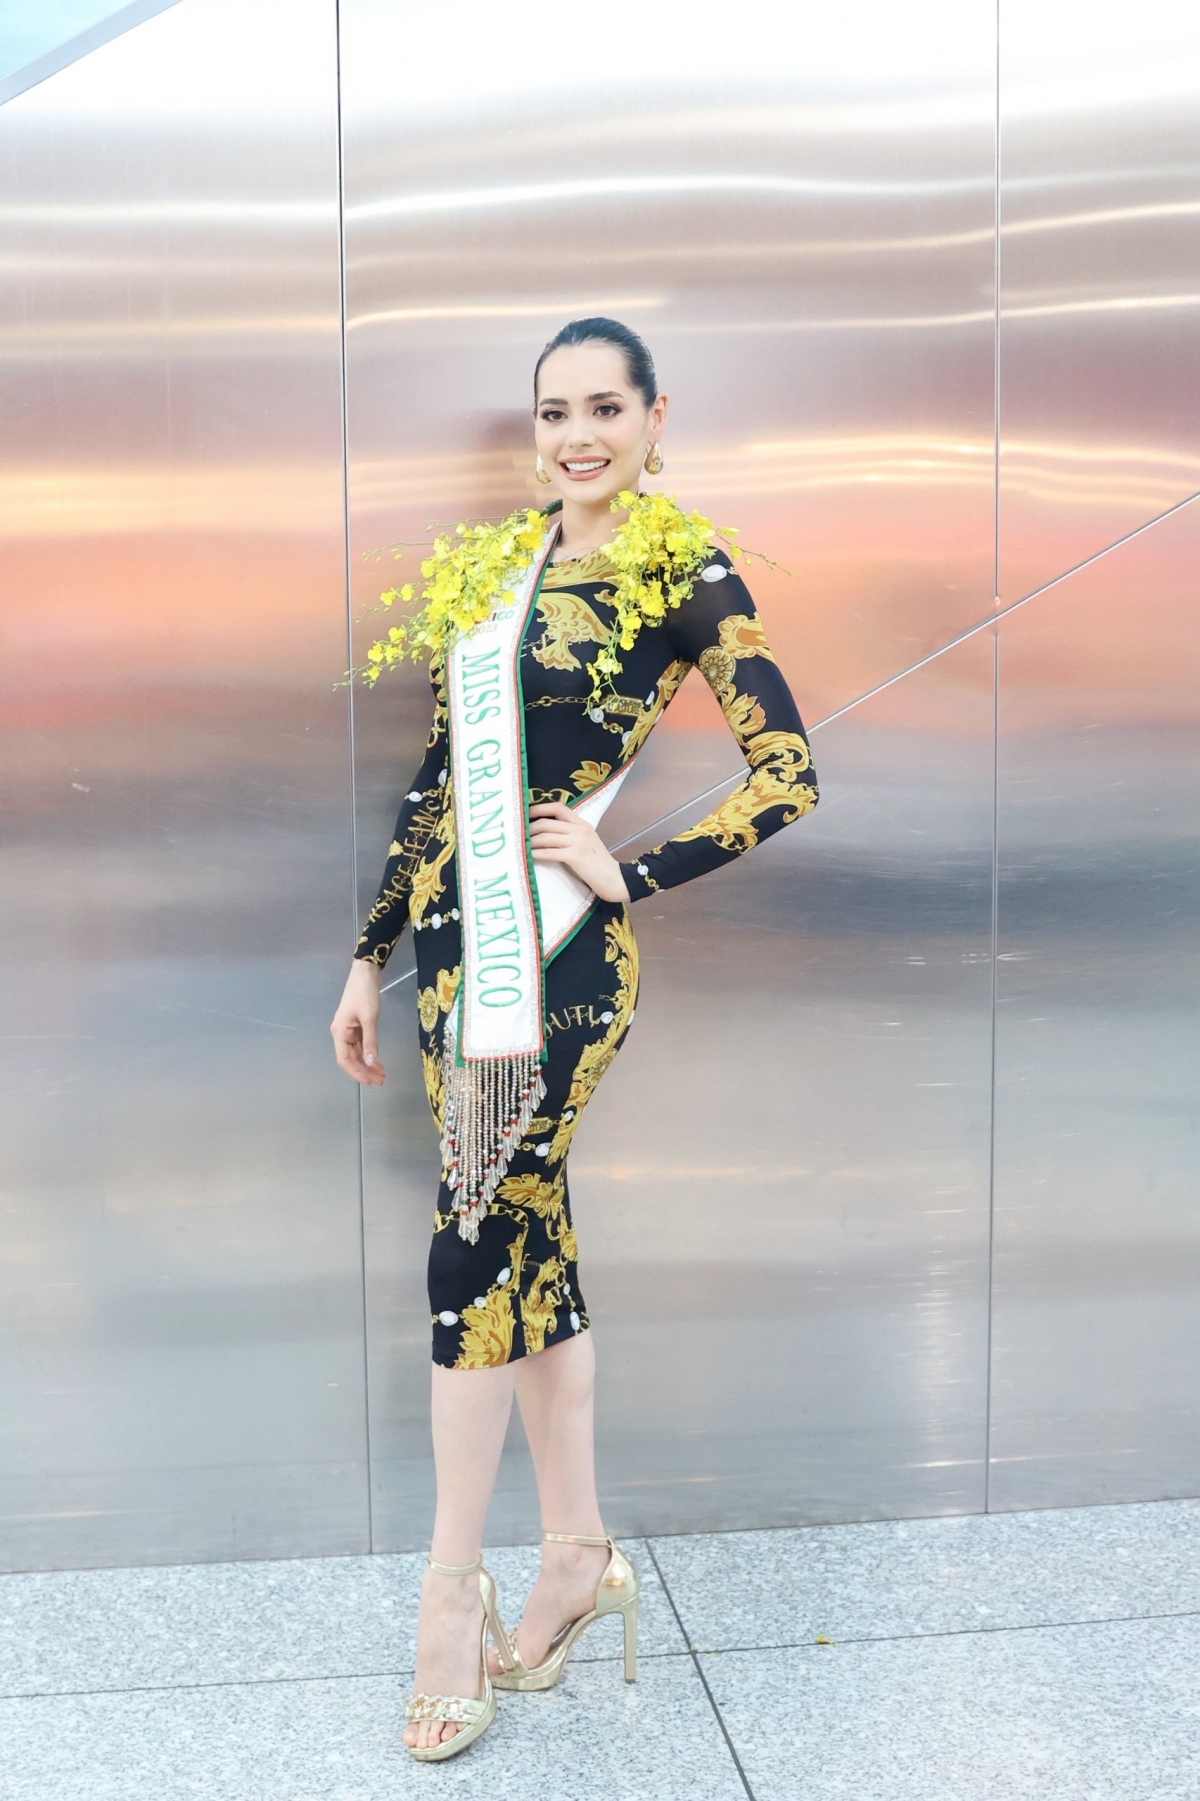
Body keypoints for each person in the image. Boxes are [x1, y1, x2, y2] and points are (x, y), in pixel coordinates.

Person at [330, 317, 818, 1760]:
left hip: (557, 968)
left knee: (469, 1239)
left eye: (607, 407)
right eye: (555, 413)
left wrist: (638, 871)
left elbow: (786, 771)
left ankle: (445, 1595)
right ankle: (575, 1555)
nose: (578, 435)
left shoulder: (686, 566)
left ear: (659, 416)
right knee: (520, 1234)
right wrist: (367, 952)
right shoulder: (492, 567)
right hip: (448, 957)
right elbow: (436, 777)